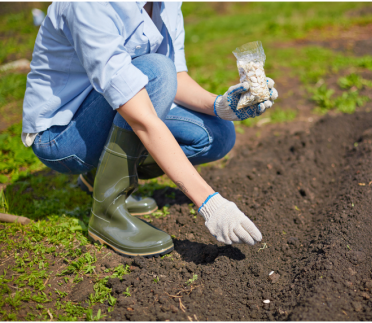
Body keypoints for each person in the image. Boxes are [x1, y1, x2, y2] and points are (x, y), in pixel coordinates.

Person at [22, 2, 278, 257]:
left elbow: (176, 76)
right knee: (156, 69)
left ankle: (99, 176)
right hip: (63, 136)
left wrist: (221, 107)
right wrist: (210, 203)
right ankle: (108, 214)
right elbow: (144, 109)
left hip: (119, 105)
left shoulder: (165, 4)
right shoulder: (89, 4)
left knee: (218, 135)